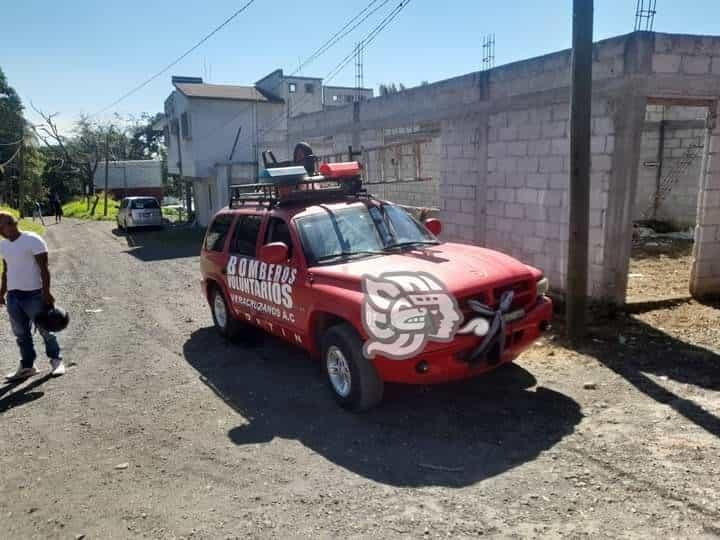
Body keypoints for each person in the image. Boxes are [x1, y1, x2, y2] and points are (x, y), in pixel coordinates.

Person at [0, 211, 64, 381]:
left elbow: (45, 269)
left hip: (34, 294)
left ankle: (56, 361)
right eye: (7, 224)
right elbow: (6, 271)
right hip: (13, 296)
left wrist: (47, 292)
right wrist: (2, 293)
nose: (12, 225)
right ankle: (28, 366)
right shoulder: (3, 245)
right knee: (21, 334)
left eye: (12, 221)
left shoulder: (32, 239)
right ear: (1, 229)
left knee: (46, 329)